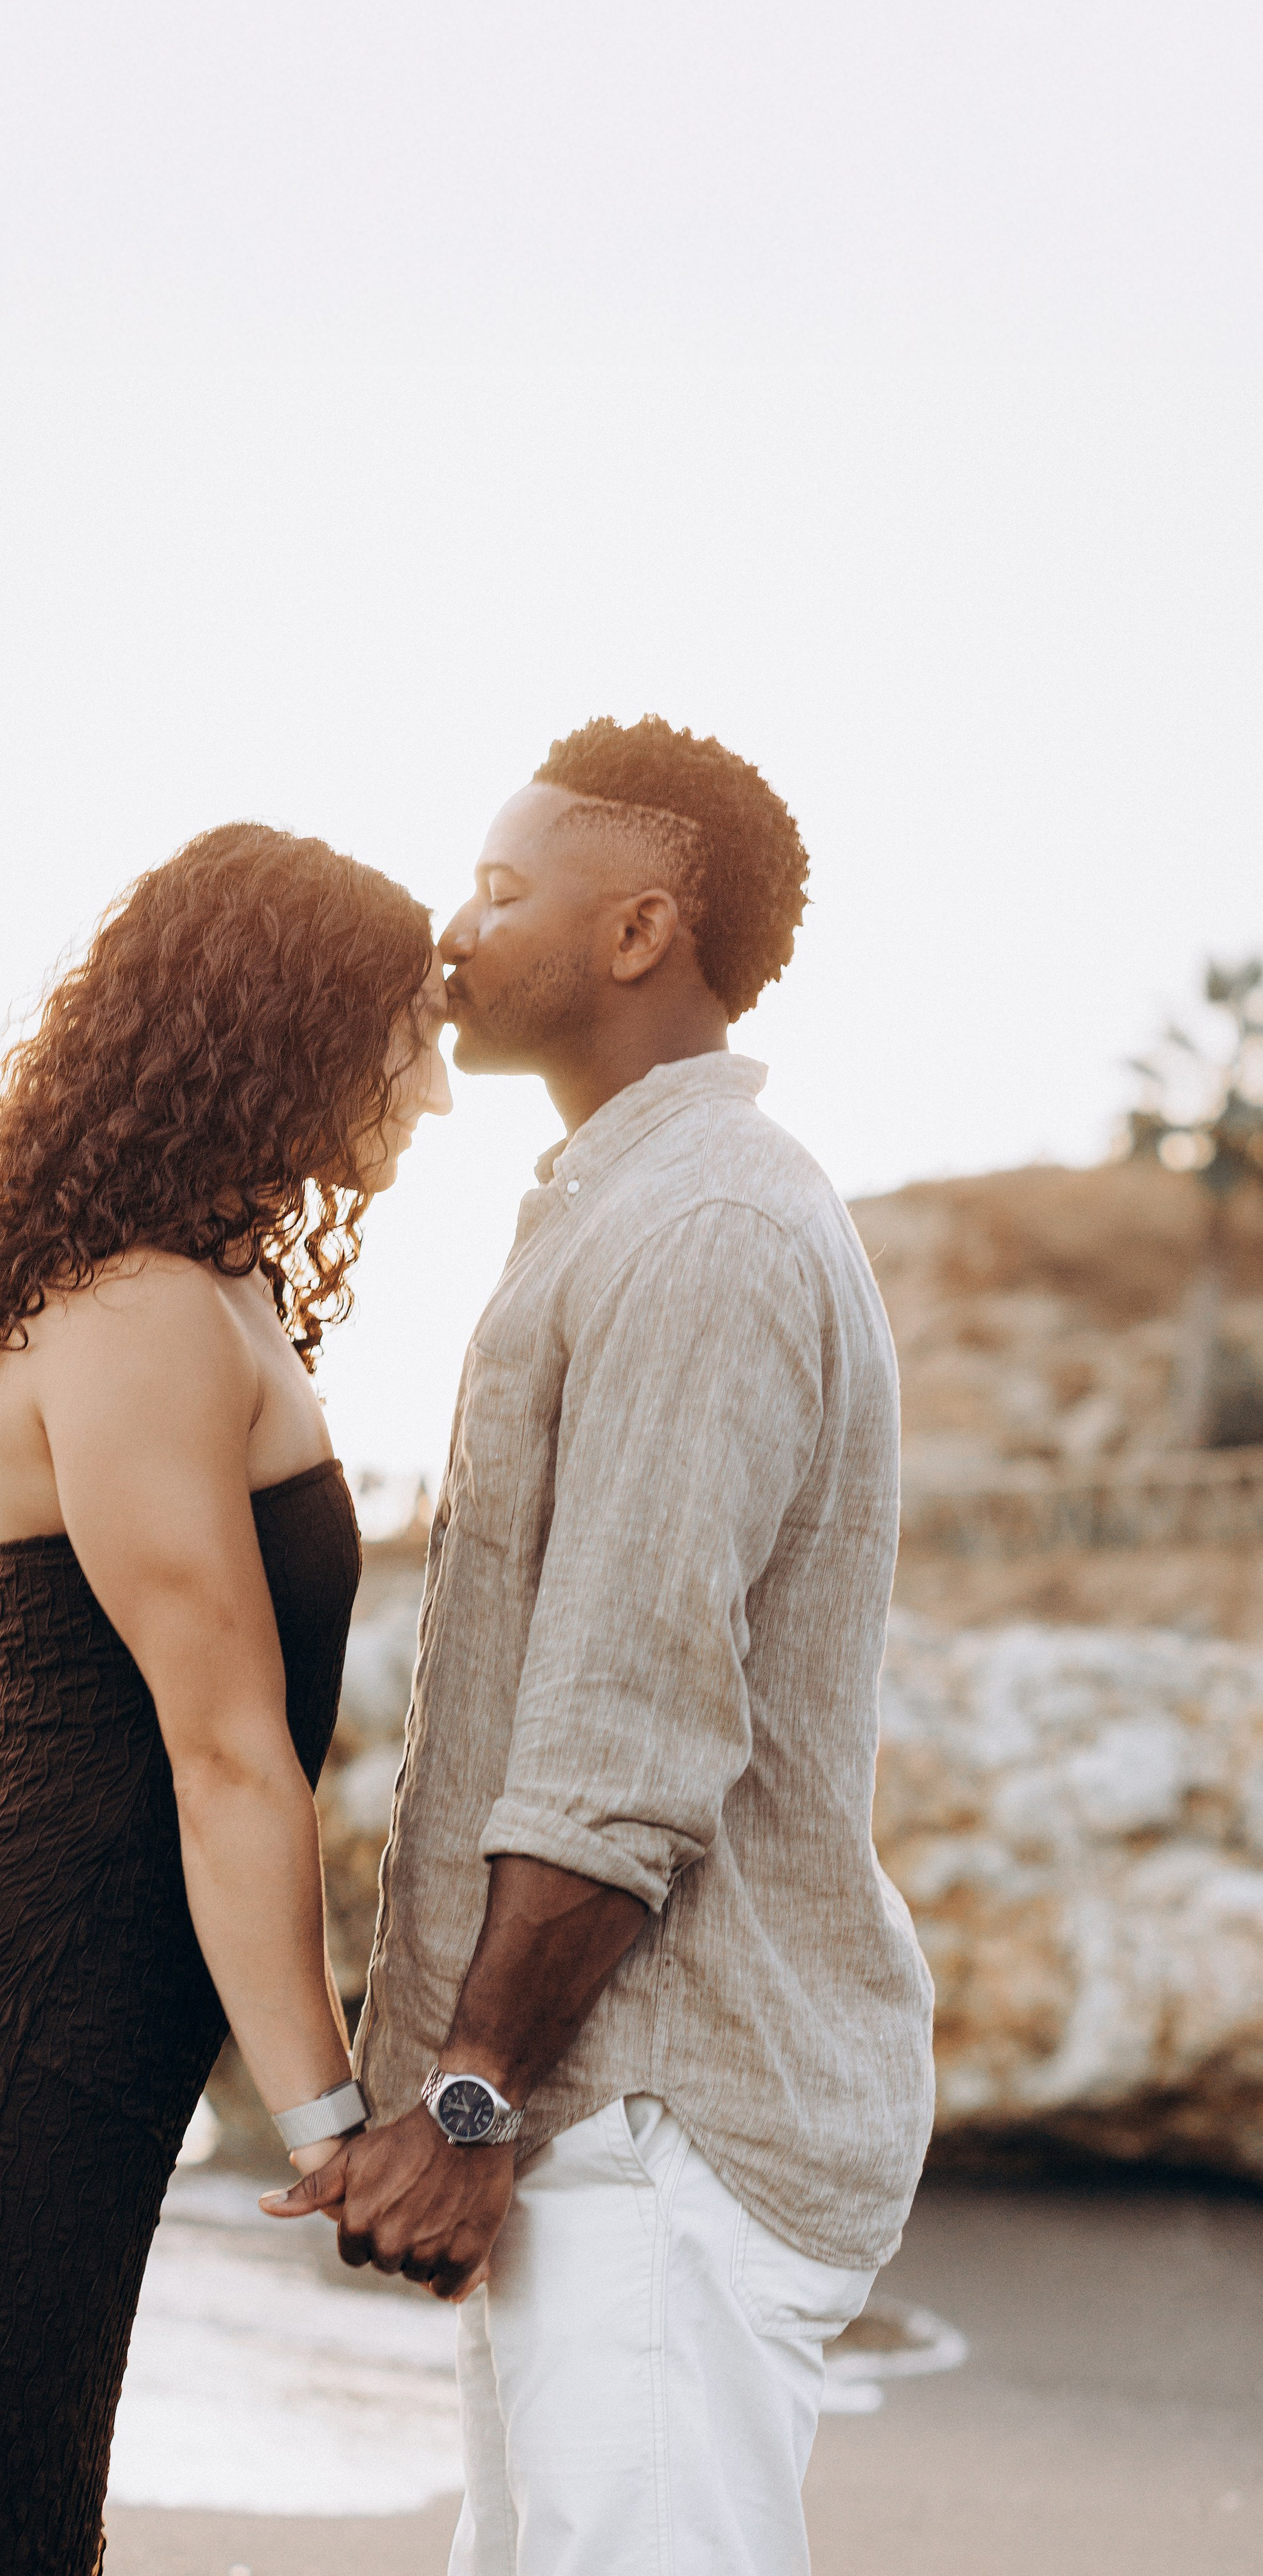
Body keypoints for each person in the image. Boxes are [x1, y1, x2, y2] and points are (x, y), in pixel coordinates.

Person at [270, 717, 936, 2576]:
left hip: (656, 2127)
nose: (452, 926)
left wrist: (471, 2104)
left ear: (640, 931)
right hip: (605, 2122)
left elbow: (628, 1730)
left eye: (501, 888)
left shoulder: (708, 1229)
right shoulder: (625, 1210)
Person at [0, 822, 449, 2575]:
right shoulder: (143, 1309)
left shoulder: (206, 1295)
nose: (436, 1088)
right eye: (410, 1031)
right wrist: (326, 2121)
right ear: (293, 1021)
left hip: (65, 2025)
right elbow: (224, 1755)